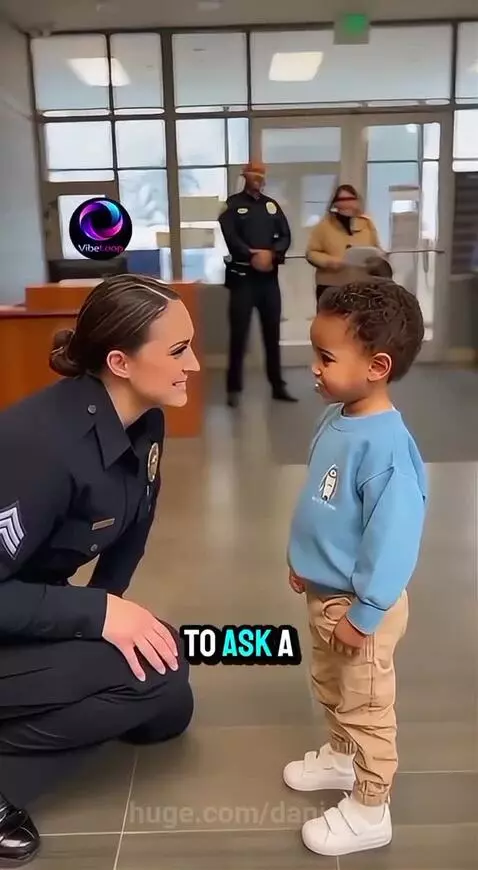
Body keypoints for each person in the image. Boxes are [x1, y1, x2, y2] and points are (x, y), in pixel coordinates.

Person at [0, 274, 200, 866]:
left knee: (166, 706)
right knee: (154, 678)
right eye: (177, 350)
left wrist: (106, 620)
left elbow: (131, 532)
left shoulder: (145, 418)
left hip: (27, 609)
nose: (193, 363)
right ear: (119, 360)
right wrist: (97, 614)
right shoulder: (41, 446)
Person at [283, 279, 427, 857]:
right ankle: (342, 759)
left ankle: (370, 807)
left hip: (360, 606)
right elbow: (325, 506)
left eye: (326, 357)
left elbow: (393, 539)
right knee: (330, 686)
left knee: (366, 706)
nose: (313, 368)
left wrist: (366, 612)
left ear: (378, 365)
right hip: (325, 593)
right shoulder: (338, 418)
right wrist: (304, 564)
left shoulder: (387, 447)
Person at [218, 160, 297, 408]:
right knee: (239, 337)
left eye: (261, 175)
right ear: (245, 176)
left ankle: (277, 386)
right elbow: (229, 235)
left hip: (268, 282)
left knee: (272, 335)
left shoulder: (271, 206)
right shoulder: (232, 205)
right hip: (243, 280)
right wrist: (251, 254)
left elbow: (286, 235)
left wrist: (272, 254)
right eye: (252, 174)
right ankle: (233, 389)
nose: (257, 179)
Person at [306, 184, 382, 311]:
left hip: (361, 286)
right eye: (342, 200)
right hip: (331, 286)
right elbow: (311, 253)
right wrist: (328, 261)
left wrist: (376, 258)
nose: (346, 204)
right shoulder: (324, 226)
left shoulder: (367, 224)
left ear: (357, 201)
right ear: (335, 203)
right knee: (331, 326)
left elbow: (377, 248)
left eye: (350, 199)